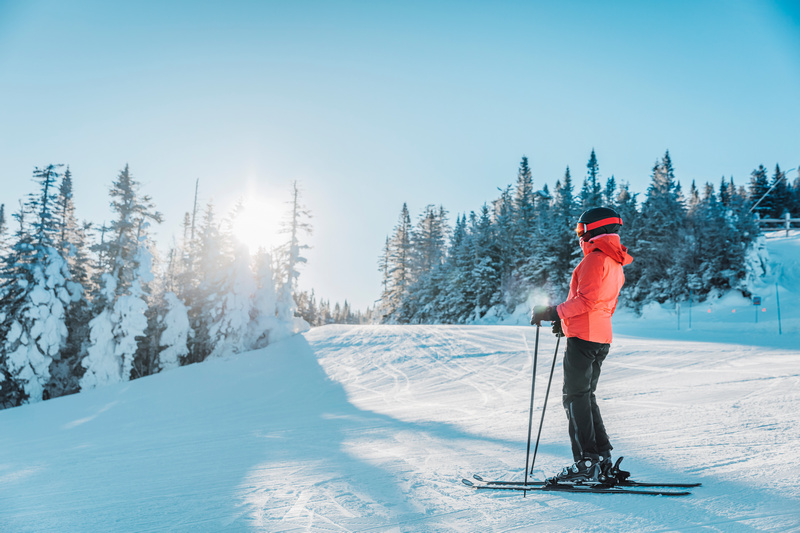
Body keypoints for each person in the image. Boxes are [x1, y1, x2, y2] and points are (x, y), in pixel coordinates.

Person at [531, 206, 633, 484]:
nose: (579, 235)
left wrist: (553, 312)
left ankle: (586, 462)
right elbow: (602, 306)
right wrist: (565, 323)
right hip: (600, 337)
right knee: (586, 396)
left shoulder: (593, 261)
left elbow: (586, 301)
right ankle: (602, 459)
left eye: (581, 230)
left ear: (595, 229)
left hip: (584, 339)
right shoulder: (615, 263)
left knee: (574, 398)